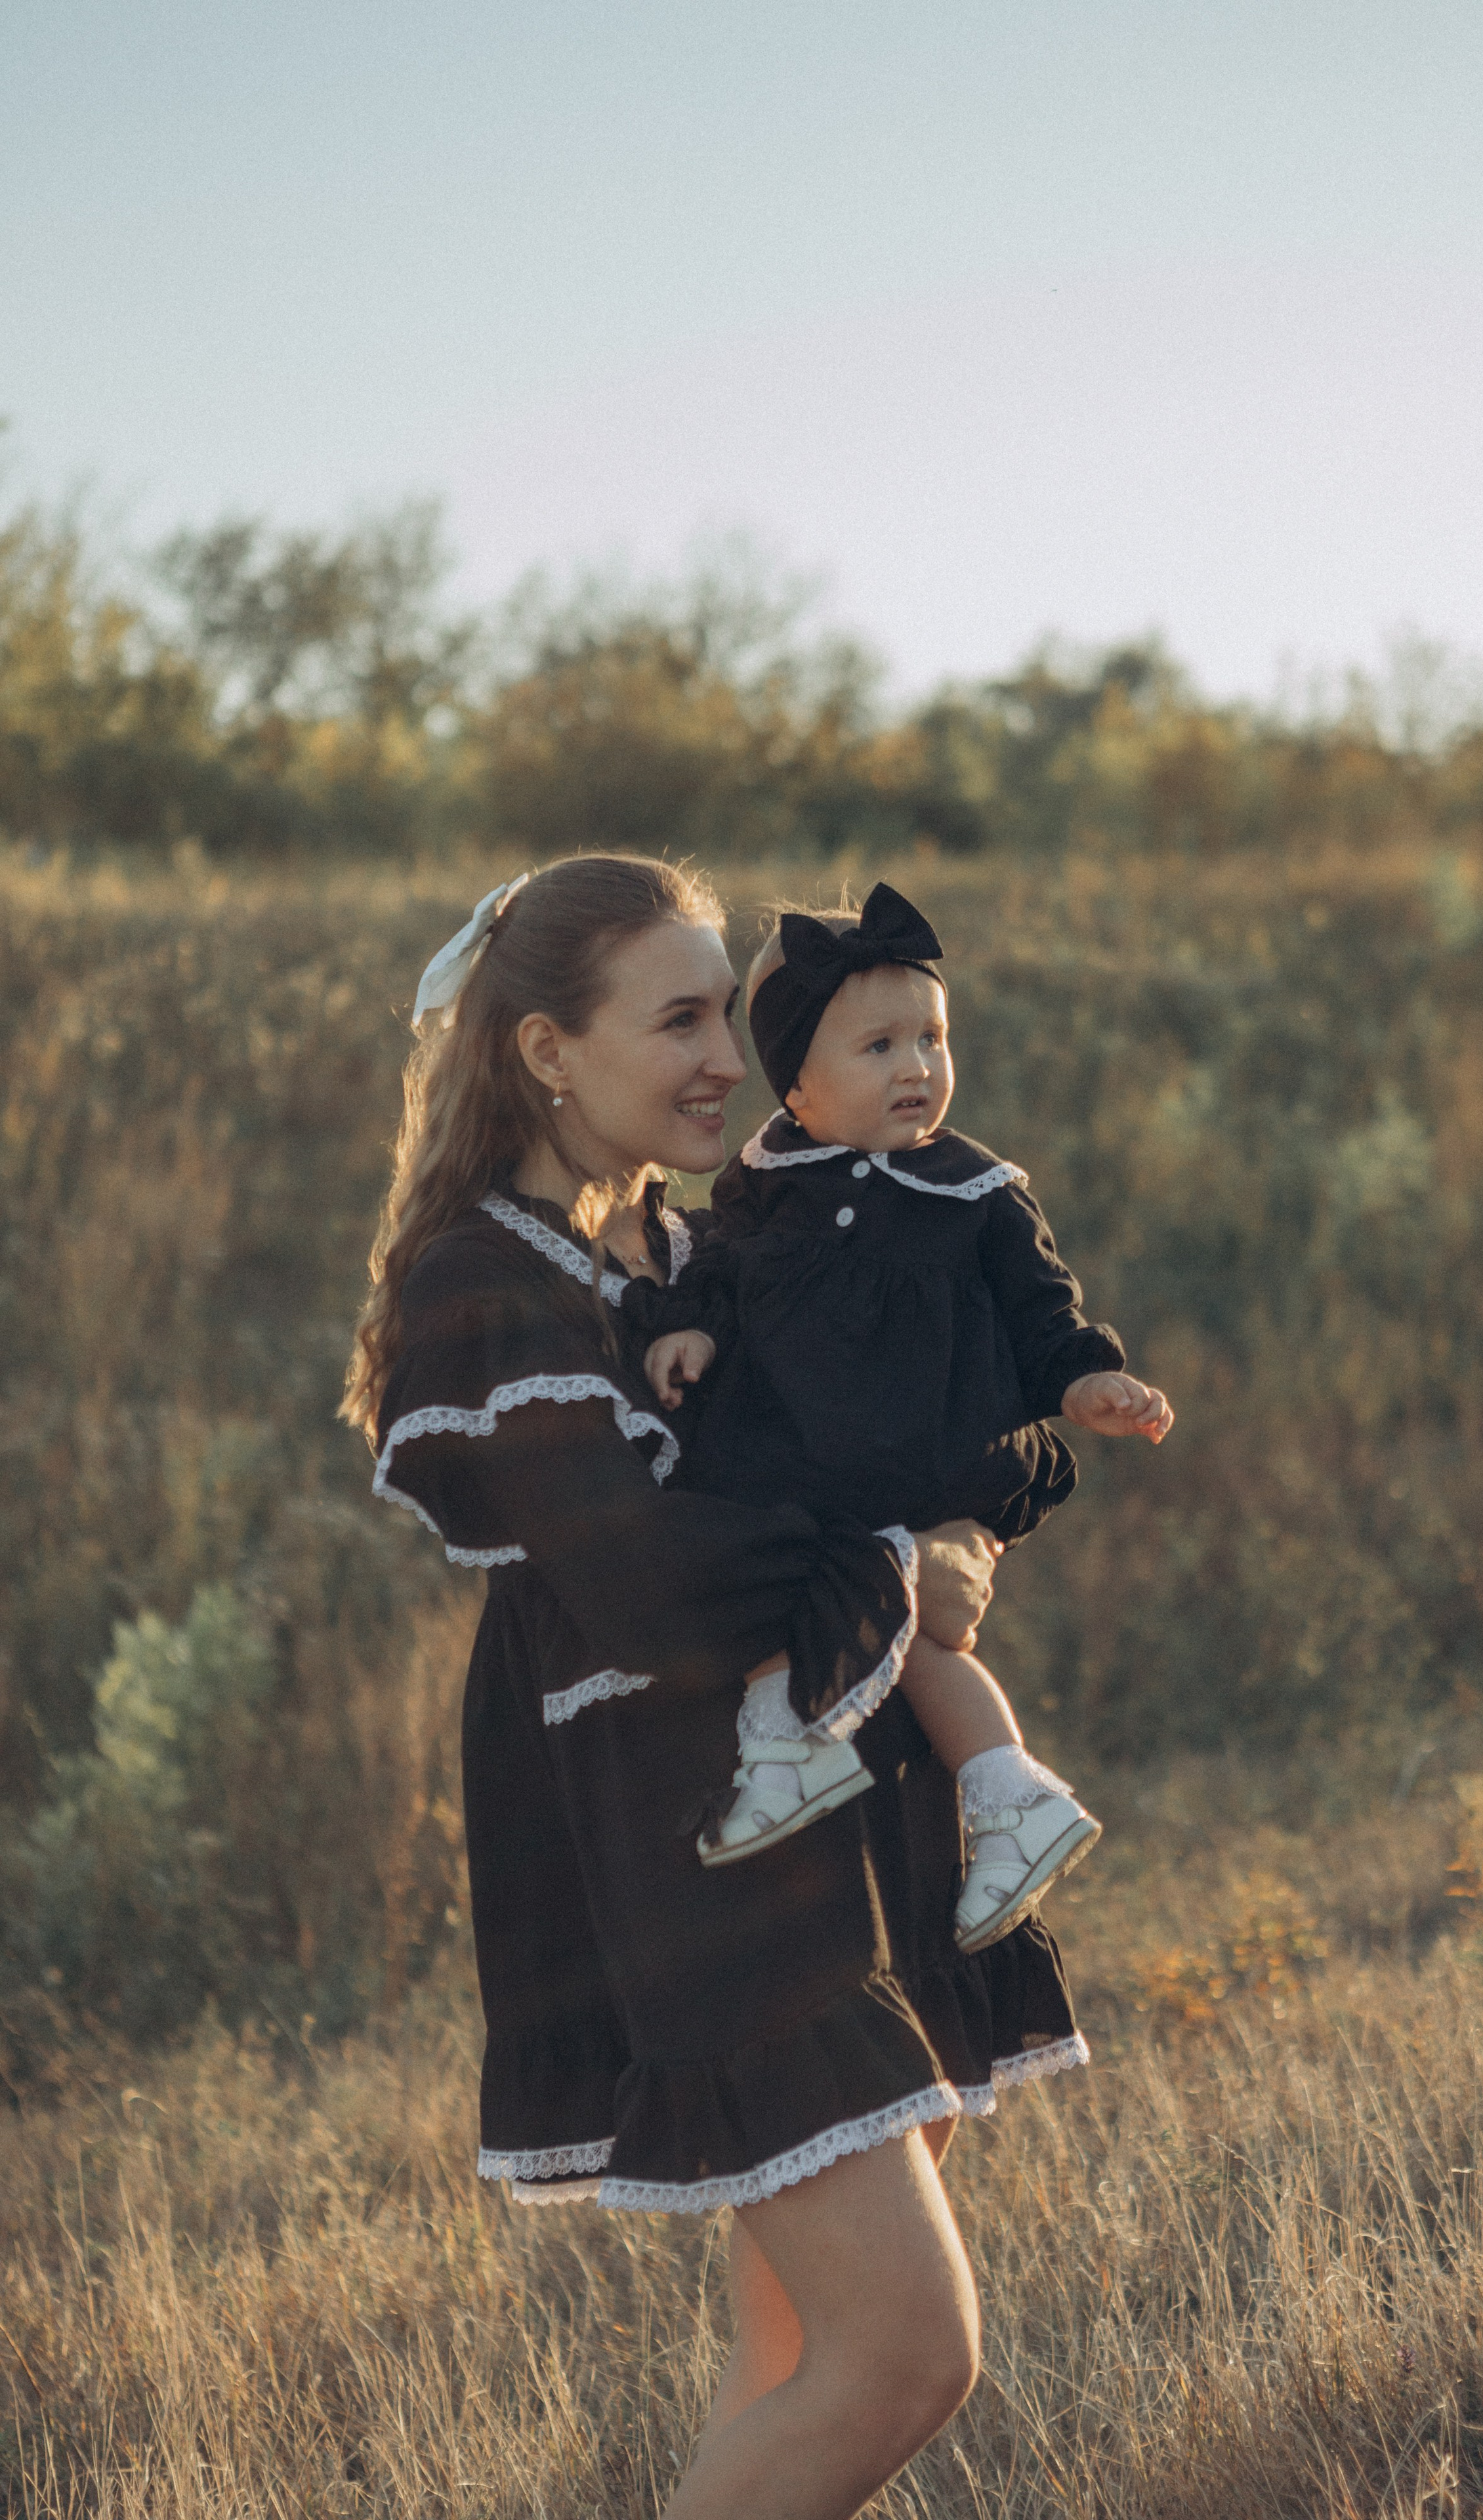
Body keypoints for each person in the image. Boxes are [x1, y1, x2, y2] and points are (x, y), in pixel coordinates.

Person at [341, 853, 1090, 2520]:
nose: (721, 1060)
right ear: (547, 1051)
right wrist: (895, 1568)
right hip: (698, 1849)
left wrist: (970, 1501)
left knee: (803, 2350)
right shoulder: (483, 1285)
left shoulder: (687, 1247)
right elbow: (638, 1575)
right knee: (905, 2354)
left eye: (715, 1015)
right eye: (674, 1018)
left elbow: (920, 1410)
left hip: (841, 1802)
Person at [628, 883, 1173, 1952]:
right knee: (769, 1561)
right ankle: (825, 1751)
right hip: (802, 1467)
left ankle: (1003, 1795)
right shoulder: (759, 1186)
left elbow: (1043, 1316)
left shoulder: (976, 1192)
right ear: (796, 1086)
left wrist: (1085, 1383)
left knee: (923, 1627)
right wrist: (688, 1329)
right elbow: (717, 1277)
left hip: (922, 1460)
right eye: (878, 1047)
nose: (917, 1068)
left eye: (932, 1037)